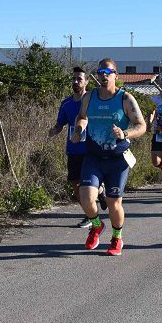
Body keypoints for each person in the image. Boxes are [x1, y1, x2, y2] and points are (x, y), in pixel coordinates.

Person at [72, 58, 147, 256]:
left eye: (107, 72)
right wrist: (79, 130)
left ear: (116, 75)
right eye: (100, 72)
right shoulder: (89, 97)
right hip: (94, 156)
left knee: (114, 203)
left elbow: (141, 125)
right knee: (85, 197)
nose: (103, 75)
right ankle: (96, 225)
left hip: (117, 160)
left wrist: (125, 133)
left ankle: (117, 238)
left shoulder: (125, 99)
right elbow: (81, 117)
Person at [49, 67, 94, 228]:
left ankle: (97, 200)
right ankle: (89, 214)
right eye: (74, 78)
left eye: (79, 79)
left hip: (90, 150)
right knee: (75, 184)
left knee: (87, 184)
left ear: (86, 81)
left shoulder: (92, 101)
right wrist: (54, 130)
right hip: (73, 149)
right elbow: (60, 123)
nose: (75, 82)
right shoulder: (66, 103)